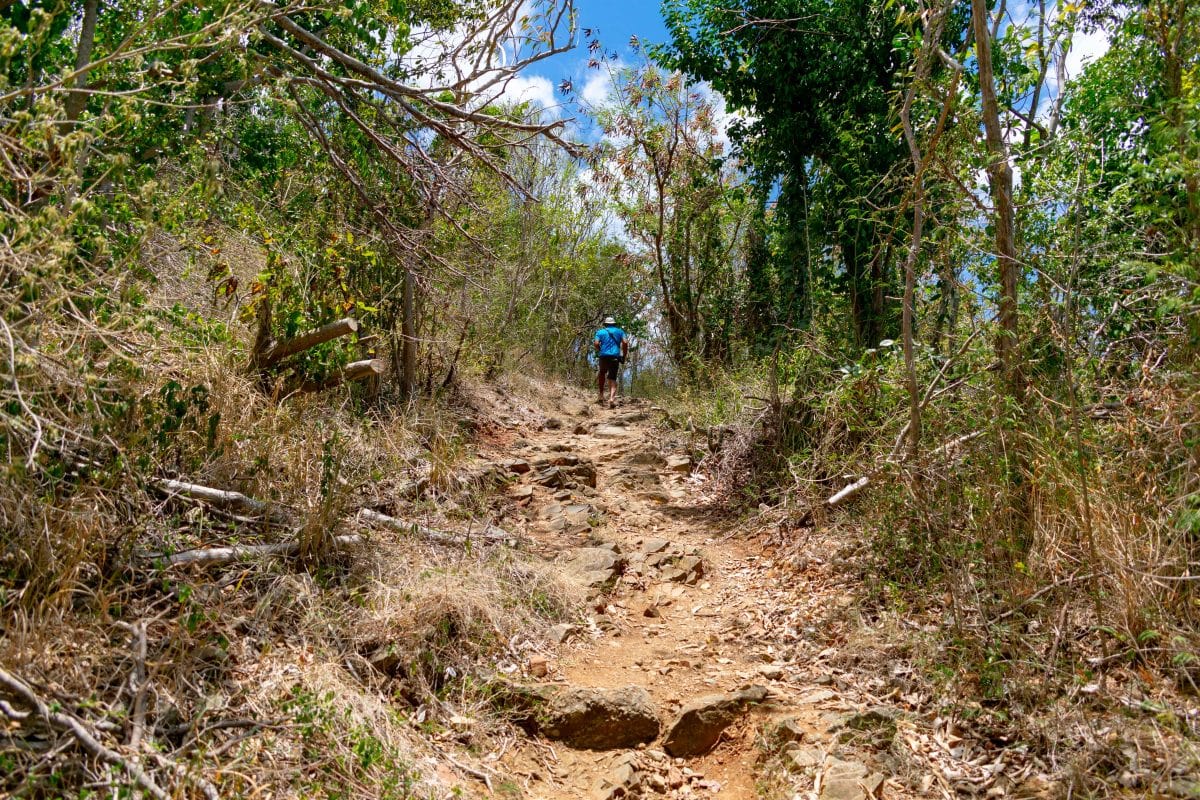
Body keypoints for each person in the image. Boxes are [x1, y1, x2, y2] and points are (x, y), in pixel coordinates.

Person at [593, 316, 628, 407]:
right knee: (612, 378)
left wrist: (600, 350)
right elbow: (625, 342)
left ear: (605, 324)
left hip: (603, 356)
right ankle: (612, 398)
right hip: (615, 357)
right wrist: (624, 355)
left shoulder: (600, 332)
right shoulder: (620, 331)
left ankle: (601, 395)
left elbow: (596, 343)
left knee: (602, 373)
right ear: (614, 324)